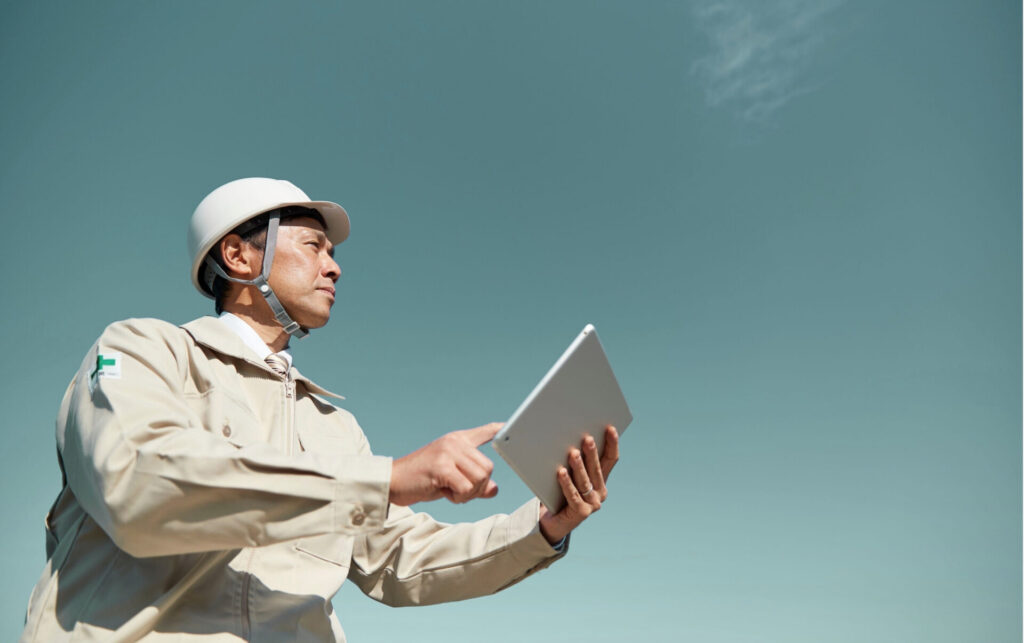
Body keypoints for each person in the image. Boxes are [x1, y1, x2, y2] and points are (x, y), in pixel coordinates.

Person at [21, 177, 621, 642]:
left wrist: (544, 527)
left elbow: (401, 562)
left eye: (332, 253)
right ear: (237, 255)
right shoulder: (142, 350)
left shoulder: (335, 428)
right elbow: (139, 483)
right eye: (313, 246)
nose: (334, 266)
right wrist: (387, 478)